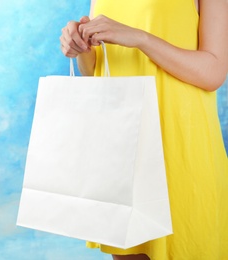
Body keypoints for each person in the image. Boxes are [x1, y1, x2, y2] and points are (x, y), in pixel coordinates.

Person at [60, 0, 228, 259]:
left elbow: (213, 73)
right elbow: (94, 70)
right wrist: (81, 44)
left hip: (177, 143)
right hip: (122, 146)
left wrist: (141, 39)